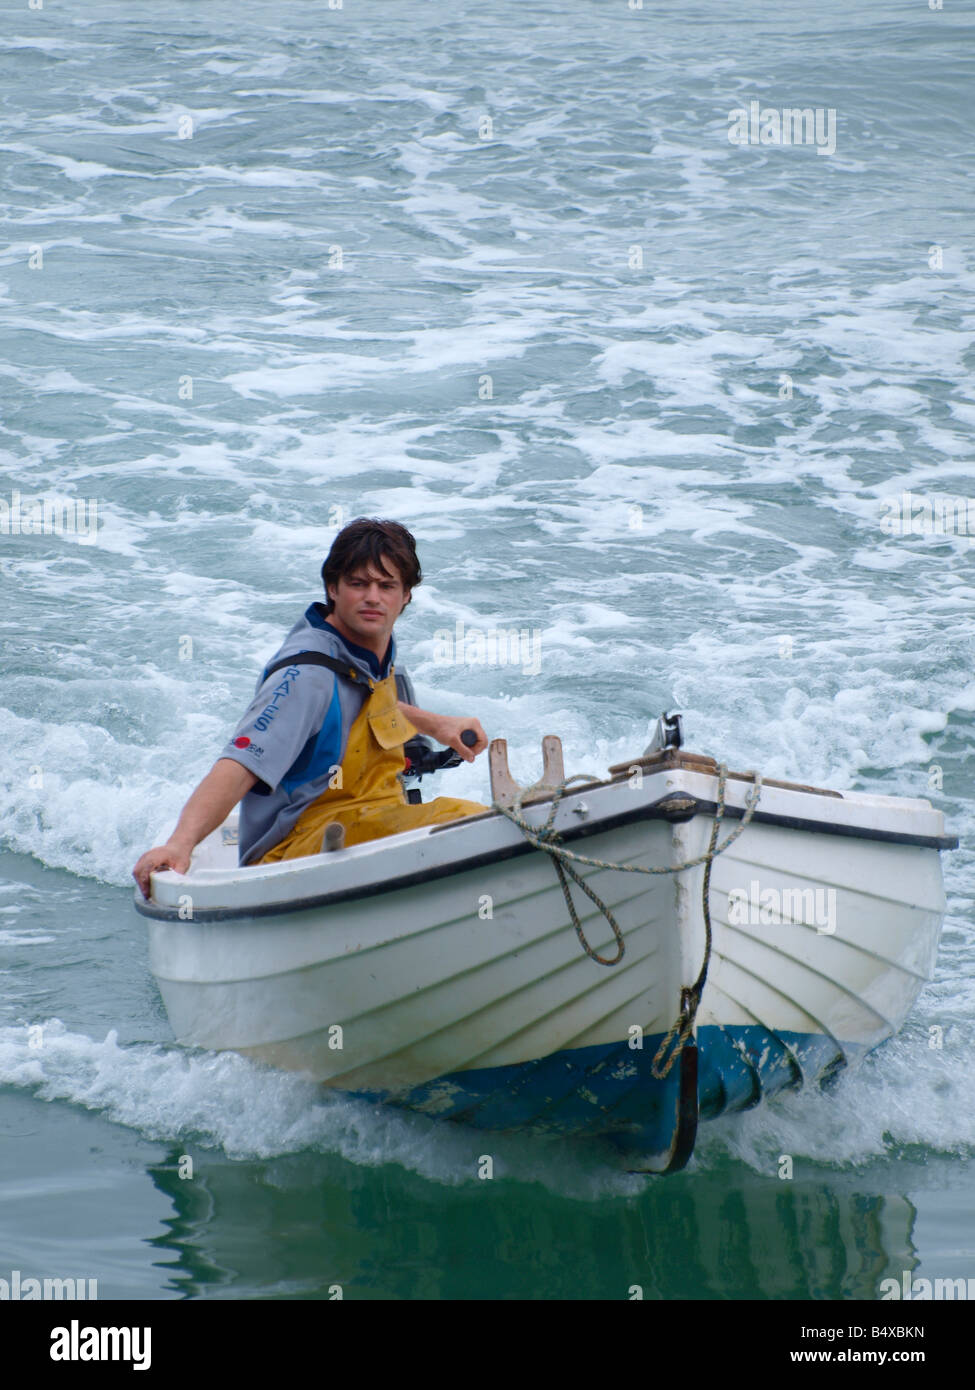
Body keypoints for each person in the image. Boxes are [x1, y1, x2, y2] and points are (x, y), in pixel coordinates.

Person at [133, 518, 488, 898]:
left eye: (387, 586)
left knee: (477, 822)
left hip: (372, 819)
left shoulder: (368, 650)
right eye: (358, 583)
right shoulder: (305, 677)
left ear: (406, 597)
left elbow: (363, 701)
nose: (373, 597)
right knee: (465, 822)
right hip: (292, 855)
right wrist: (180, 844)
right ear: (333, 588)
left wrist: (436, 724)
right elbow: (240, 764)